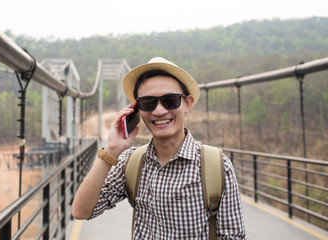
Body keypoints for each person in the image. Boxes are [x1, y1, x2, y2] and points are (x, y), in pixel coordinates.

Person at [71, 57, 246, 239]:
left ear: (188, 103)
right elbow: (81, 211)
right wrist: (111, 150)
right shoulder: (131, 163)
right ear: (137, 110)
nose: (159, 111)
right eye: (148, 102)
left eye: (170, 100)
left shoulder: (217, 167)